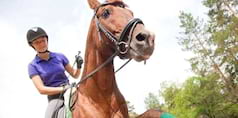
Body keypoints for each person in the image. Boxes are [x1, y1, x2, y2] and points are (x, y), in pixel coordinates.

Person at [27, 27, 83, 118]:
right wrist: (63, 88)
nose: (41, 44)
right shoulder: (32, 66)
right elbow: (41, 89)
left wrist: (79, 66)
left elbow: (75, 75)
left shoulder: (60, 56)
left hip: (71, 91)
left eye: (43, 40)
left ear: (47, 40)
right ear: (32, 45)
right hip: (55, 98)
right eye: (37, 42)